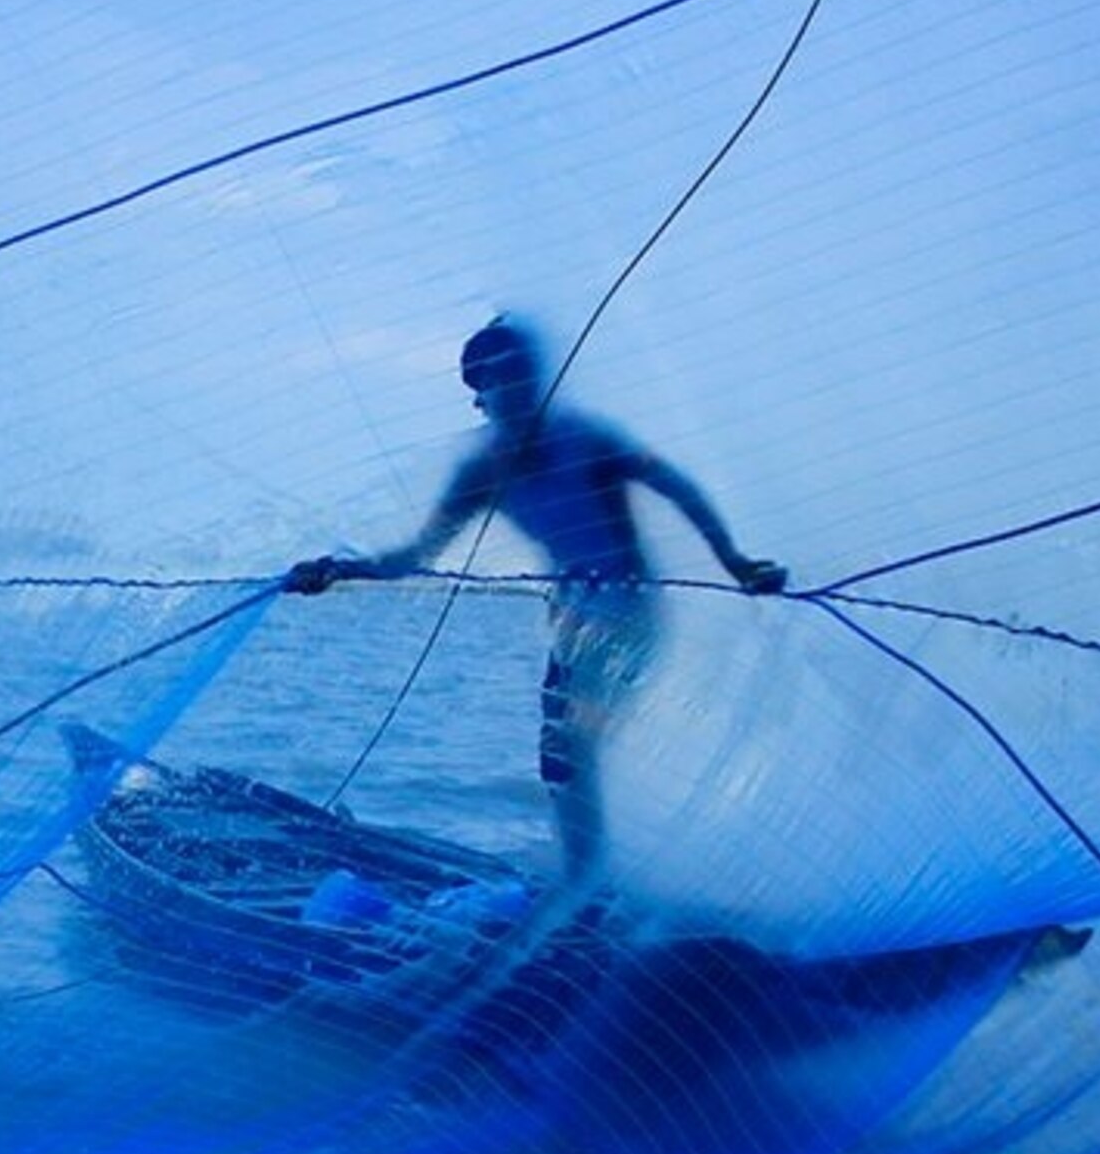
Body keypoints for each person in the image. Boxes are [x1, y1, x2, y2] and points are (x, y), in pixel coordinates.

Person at [286, 314, 787, 876]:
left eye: (522, 373)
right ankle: (586, 876)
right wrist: (336, 570)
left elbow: (679, 490)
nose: (513, 390)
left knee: (569, 754)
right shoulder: (484, 470)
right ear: (480, 397)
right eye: (496, 382)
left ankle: (587, 885)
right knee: (564, 757)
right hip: (575, 621)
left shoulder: (589, 440)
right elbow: (414, 557)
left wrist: (736, 563)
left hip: (627, 618)